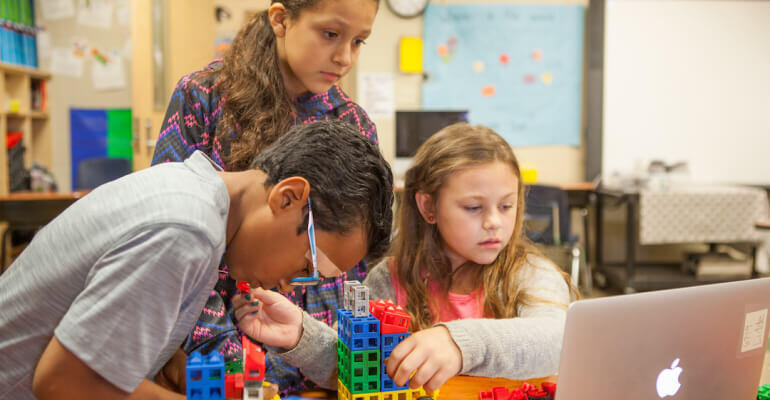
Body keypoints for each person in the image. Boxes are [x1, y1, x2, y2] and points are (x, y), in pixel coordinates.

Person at [0, 120, 394, 400]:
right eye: (307, 266)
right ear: (287, 197)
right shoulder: (187, 230)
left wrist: (189, 374)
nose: (291, 285)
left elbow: (114, 340)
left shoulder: (193, 191)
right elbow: (65, 384)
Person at [231, 123, 577, 393]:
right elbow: (359, 368)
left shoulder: (531, 274)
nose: (494, 222)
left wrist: (458, 344)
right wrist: (300, 336)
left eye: (506, 205)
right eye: (474, 207)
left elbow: (557, 340)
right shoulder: (388, 279)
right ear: (427, 206)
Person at [151, 0, 380, 392]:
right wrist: (229, 364)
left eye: (359, 41)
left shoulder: (355, 124)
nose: (344, 56)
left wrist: (334, 360)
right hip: (220, 355)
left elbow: (349, 264)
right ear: (281, 19)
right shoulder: (202, 97)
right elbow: (172, 242)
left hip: (315, 361)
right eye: (330, 34)